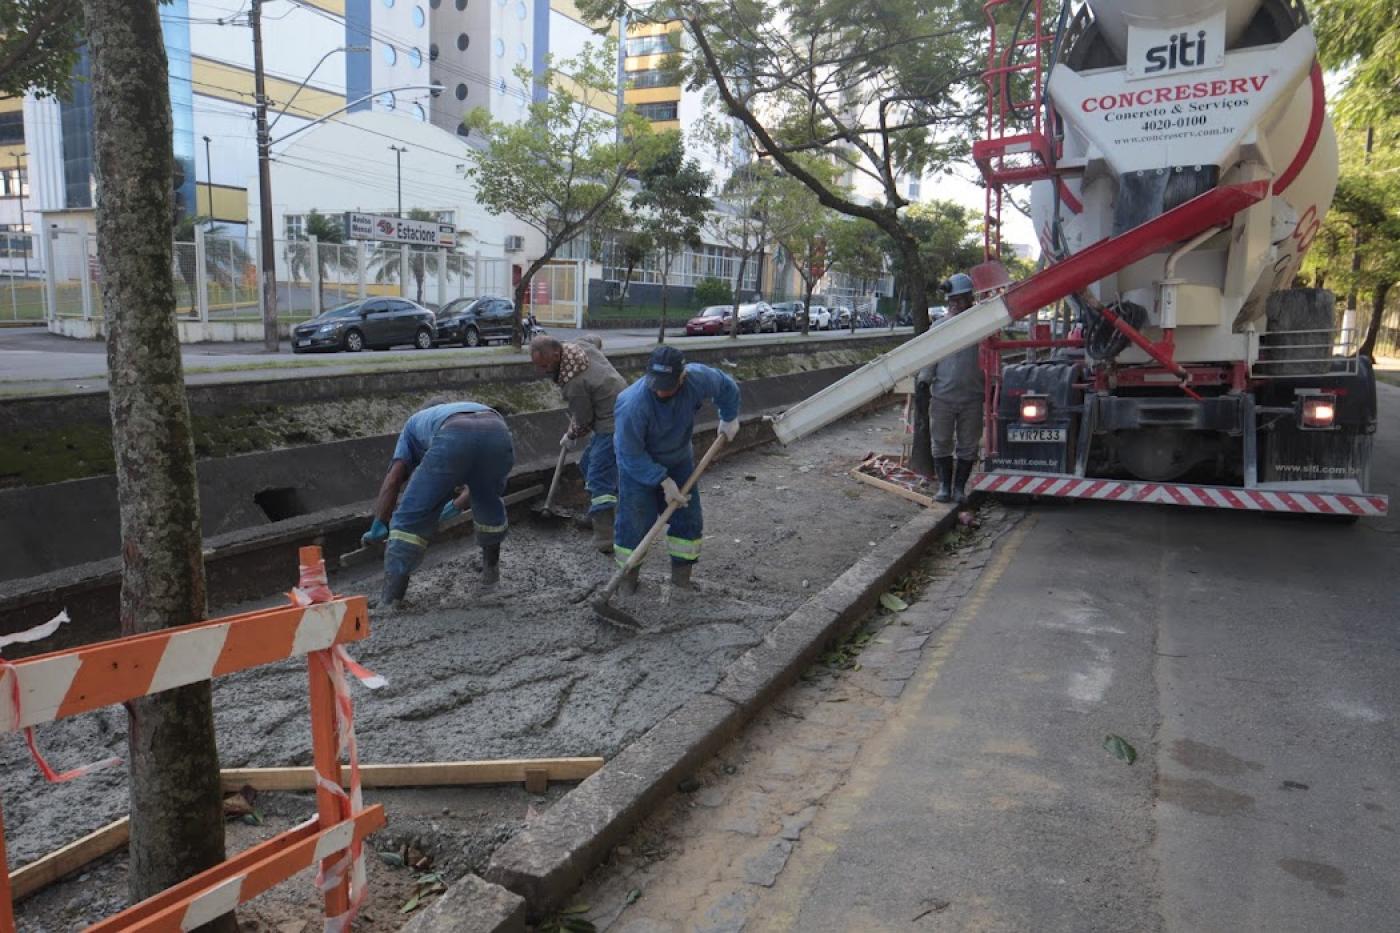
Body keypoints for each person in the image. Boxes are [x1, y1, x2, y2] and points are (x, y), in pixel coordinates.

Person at [613, 345, 741, 592]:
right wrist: (662, 480)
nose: (661, 392)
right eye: (656, 384)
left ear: (682, 376)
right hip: (637, 468)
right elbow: (629, 453)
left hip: (679, 461)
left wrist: (729, 417)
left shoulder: (698, 378)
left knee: (688, 520)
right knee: (635, 523)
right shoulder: (632, 405)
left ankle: (681, 580)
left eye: (668, 385)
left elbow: (726, 387)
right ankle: (627, 582)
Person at [361, 401, 514, 604]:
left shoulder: (413, 426)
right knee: (488, 502)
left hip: (455, 435)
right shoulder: (465, 411)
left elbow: (394, 479)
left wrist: (380, 521)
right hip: (498, 430)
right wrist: (456, 506)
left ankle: (390, 600)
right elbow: (480, 486)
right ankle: (491, 579)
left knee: (408, 521)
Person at [529, 333, 627, 552]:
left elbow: (584, 420)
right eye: (538, 365)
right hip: (620, 403)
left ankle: (605, 538)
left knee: (598, 478)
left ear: (556, 354)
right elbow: (595, 339)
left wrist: (572, 435)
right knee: (586, 464)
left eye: (545, 365)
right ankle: (601, 514)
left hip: (613, 422)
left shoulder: (574, 383)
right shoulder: (579, 345)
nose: (542, 370)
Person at [922, 272, 982, 503]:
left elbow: (992, 356)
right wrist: (924, 381)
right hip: (943, 397)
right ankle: (945, 487)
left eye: (960, 300)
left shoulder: (981, 326)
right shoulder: (939, 327)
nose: (956, 305)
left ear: (969, 299)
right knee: (941, 442)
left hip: (972, 397)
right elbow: (930, 358)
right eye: (952, 301)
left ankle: (959, 489)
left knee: (968, 445)